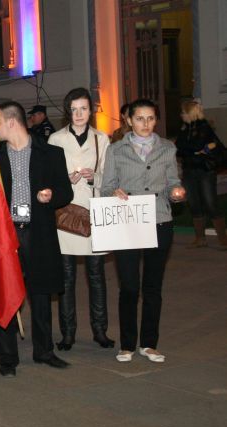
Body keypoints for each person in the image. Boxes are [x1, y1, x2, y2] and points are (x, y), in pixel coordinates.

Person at [101, 98, 186, 363]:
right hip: (127, 221)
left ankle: (149, 343)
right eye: (139, 118)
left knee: (152, 286)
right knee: (128, 286)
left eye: (150, 118)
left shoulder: (168, 148)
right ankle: (127, 343)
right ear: (128, 120)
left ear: (156, 120)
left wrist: (176, 193)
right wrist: (114, 192)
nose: (145, 124)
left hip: (159, 221)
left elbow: (173, 182)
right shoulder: (116, 150)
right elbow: (105, 187)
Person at [0, 101, 73, 377]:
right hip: (6, 234)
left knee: (40, 293)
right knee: (5, 296)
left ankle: (44, 351)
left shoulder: (50, 153)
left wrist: (51, 195)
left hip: (37, 231)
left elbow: (66, 192)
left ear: (12, 122)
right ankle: (7, 359)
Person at [48, 87, 115, 351]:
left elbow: (108, 178)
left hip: (92, 211)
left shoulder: (102, 139)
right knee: (65, 277)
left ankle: (100, 330)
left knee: (97, 274)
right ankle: (68, 333)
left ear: (91, 111)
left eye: (83, 109)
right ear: (68, 111)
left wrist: (92, 177)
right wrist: (66, 179)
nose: (78, 114)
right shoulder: (55, 139)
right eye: (74, 109)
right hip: (65, 213)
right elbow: (49, 177)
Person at [175, 100, 227, 249]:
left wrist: (195, 149)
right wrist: (197, 150)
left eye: (183, 112)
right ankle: (200, 238)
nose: (181, 115)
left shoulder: (204, 127)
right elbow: (178, 148)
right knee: (194, 203)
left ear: (190, 113)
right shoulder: (185, 128)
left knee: (211, 203)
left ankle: (223, 239)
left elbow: (194, 145)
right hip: (189, 170)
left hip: (205, 171)